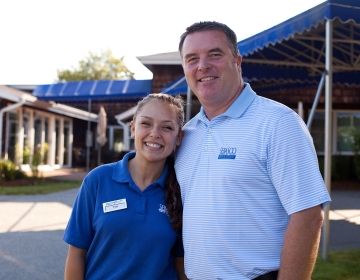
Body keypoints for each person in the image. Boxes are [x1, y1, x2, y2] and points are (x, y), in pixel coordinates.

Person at [175, 21, 331, 280]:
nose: (202, 66)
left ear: (237, 60)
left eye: (215, 54)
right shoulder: (188, 134)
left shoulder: (278, 122)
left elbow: (308, 216)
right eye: (192, 59)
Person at [64, 93, 187, 280]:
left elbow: (181, 263)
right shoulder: (97, 181)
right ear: (132, 129)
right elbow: (76, 254)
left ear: (178, 137)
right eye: (146, 123)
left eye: (167, 127)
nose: (155, 133)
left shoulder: (182, 191)